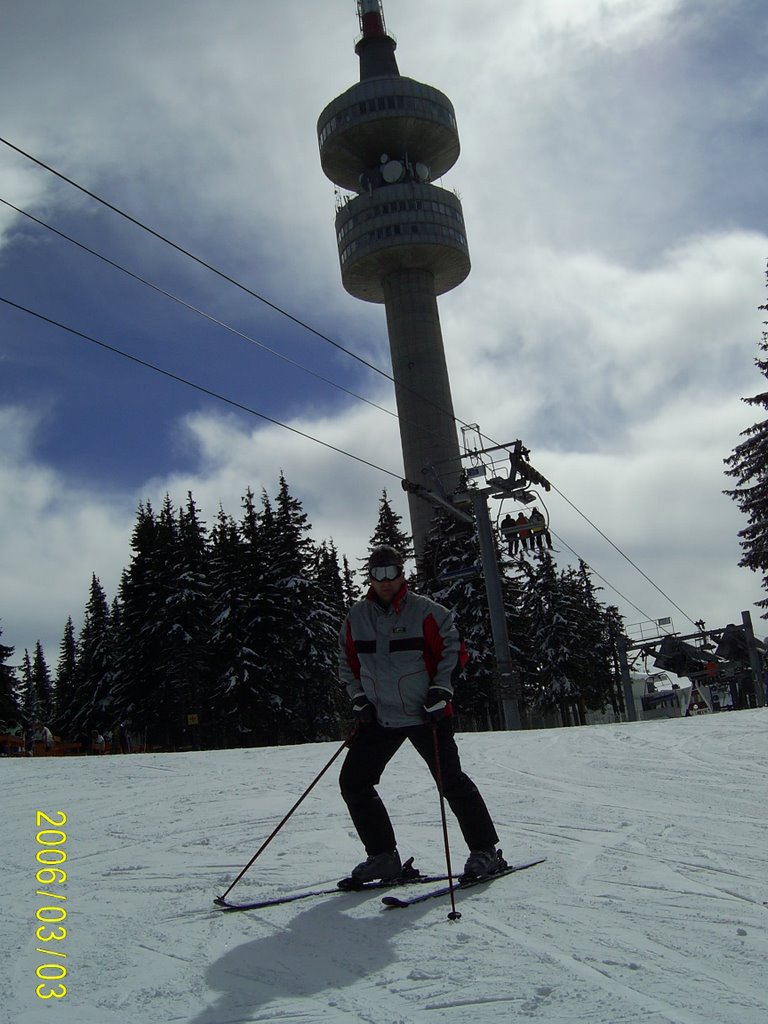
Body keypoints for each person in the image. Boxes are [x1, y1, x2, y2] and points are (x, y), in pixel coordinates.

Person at [338, 545, 505, 885]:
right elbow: (347, 661)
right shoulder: (357, 617)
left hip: (426, 714)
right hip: (381, 716)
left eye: (392, 573)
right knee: (354, 781)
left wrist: (440, 690)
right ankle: (383, 856)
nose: (386, 581)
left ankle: (486, 851)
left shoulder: (428, 612)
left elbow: (453, 653)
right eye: (378, 574)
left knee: (451, 782)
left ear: (403, 574)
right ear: (370, 577)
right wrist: (358, 698)